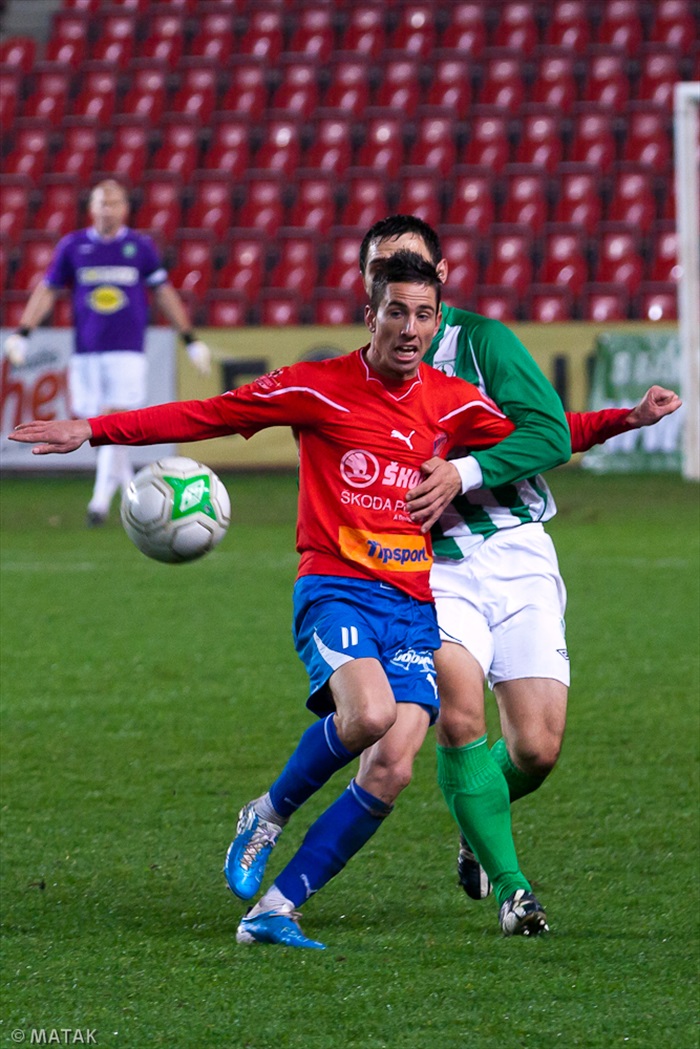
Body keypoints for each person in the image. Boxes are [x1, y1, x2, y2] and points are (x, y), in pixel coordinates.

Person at [11, 251, 541, 948]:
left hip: (413, 605)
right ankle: (266, 811)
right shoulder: (318, 387)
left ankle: (276, 908)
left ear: (436, 321)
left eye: (423, 315)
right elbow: (208, 413)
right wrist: (95, 429)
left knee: (394, 768)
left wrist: (626, 420)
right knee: (370, 714)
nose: (410, 328)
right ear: (371, 315)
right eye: (396, 312)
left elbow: (548, 433)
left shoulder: (452, 399)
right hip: (338, 587)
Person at [357, 216, 682, 912]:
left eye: (412, 268)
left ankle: (478, 822)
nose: (400, 283)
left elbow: (546, 432)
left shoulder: (482, 343)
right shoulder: (356, 375)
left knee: (536, 747)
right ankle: (515, 893)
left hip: (513, 547)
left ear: (441, 278)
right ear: (367, 286)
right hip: (428, 568)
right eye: (383, 271)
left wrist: (465, 471)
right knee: (460, 719)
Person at [3, 179, 212, 527]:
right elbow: (48, 290)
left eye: (114, 203)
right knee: (102, 426)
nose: (107, 209)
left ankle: (98, 504)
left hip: (127, 351)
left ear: (125, 209)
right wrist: (23, 332)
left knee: (110, 421)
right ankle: (135, 494)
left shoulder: (140, 247)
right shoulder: (73, 246)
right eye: (102, 203)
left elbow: (163, 293)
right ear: (91, 208)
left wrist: (190, 338)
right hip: (86, 353)